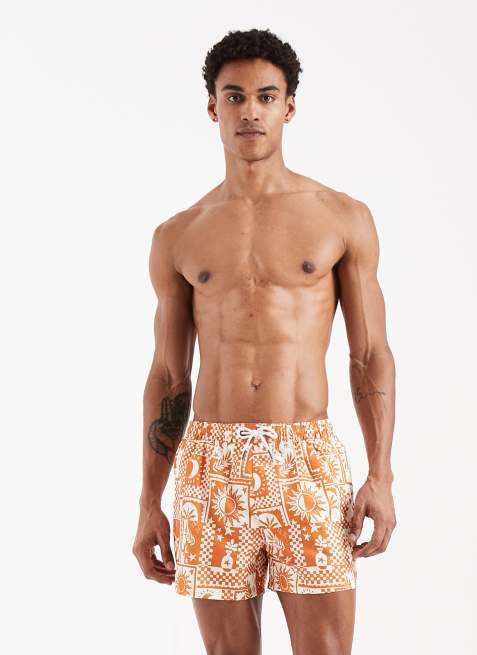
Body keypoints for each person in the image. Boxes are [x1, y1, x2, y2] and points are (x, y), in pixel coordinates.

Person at [132, 28, 397, 655]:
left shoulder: (340, 216)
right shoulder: (179, 234)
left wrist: (381, 475)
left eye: (266, 96)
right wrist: (148, 501)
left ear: (289, 106)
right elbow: (169, 376)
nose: (250, 110)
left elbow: (369, 355)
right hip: (211, 463)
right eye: (235, 96)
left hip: (305, 457)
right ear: (213, 107)